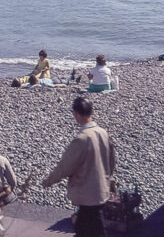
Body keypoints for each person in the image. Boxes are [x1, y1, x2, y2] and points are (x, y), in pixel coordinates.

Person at [42, 97, 115, 237]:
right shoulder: (103, 132)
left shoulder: (82, 139)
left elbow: (65, 166)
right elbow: (112, 161)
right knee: (95, 228)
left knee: (86, 230)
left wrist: (49, 181)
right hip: (102, 190)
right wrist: (107, 178)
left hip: (88, 195)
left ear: (76, 114)